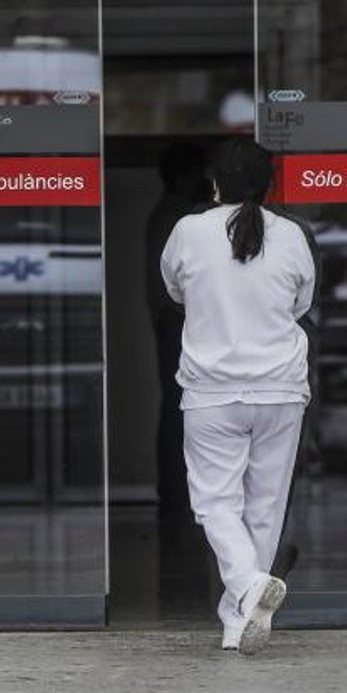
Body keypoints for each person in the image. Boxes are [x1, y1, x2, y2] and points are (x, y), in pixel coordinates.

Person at [160, 138, 315, 655]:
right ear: (270, 186)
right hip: (279, 389)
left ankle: (247, 588)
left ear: (215, 184)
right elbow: (301, 303)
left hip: (212, 391)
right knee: (265, 506)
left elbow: (175, 291)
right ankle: (238, 619)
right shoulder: (291, 235)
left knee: (215, 503)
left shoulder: (188, 231)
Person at [145, 142, 210, 512]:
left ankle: (175, 493)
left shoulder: (171, 216)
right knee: (179, 409)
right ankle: (176, 493)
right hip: (178, 322)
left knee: (177, 408)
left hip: (175, 321)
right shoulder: (179, 219)